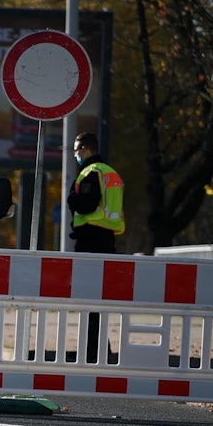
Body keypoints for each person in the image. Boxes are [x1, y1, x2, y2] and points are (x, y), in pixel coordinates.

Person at [67, 132, 125, 361]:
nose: (75, 155)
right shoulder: (111, 173)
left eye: (76, 150)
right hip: (107, 240)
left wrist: (72, 199)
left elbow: (87, 205)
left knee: (89, 300)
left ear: (85, 149)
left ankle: (94, 352)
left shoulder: (91, 173)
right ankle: (99, 349)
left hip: (90, 242)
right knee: (97, 302)